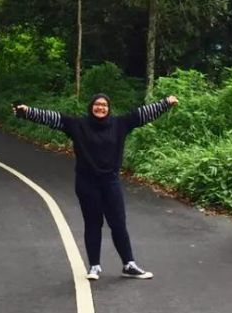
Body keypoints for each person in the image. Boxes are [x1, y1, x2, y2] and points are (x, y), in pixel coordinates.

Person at [13, 92, 178, 280]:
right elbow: (52, 118)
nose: (100, 108)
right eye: (97, 104)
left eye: (104, 105)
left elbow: (142, 114)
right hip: (86, 182)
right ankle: (94, 266)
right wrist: (26, 111)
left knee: (118, 224)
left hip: (111, 182)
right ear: (91, 107)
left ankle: (129, 264)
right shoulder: (78, 125)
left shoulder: (119, 124)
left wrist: (166, 103)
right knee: (93, 223)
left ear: (109, 108)